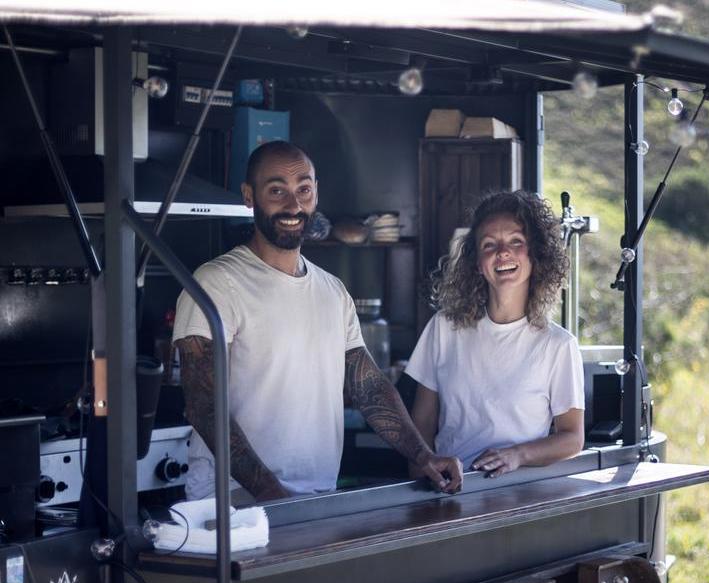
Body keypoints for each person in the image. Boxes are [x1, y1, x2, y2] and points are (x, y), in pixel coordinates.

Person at [172, 141, 462, 501]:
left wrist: (424, 456)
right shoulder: (216, 284)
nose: (293, 205)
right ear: (249, 196)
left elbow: (369, 387)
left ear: (315, 194)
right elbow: (204, 406)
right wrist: (270, 492)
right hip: (231, 502)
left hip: (313, 495)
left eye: (303, 190)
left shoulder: (332, 291)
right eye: (276, 190)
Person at [405, 190, 584, 477]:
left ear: (536, 255)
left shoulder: (558, 345)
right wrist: (422, 484)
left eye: (516, 241)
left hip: (516, 495)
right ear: (477, 263)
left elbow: (572, 438)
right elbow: (422, 422)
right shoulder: (443, 328)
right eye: (490, 245)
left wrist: (517, 455)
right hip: (451, 492)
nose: (503, 252)